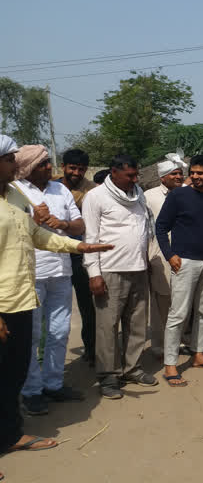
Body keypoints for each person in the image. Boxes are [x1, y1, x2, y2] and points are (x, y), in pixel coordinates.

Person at [1, 135, 112, 456]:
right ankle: (33, 393)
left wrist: (80, 245)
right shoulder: (22, 191)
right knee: (19, 353)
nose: (50, 167)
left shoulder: (17, 195)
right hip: (11, 293)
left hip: (42, 281)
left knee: (53, 336)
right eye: (11, 159)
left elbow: (43, 234)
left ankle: (46, 390)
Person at [14, 145, 88, 414]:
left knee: (59, 331)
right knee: (32, 335)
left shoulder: (61, 190)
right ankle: (32, 390)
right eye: (43, 163)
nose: (49, 167)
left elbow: (80, 226)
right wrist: (33, 219)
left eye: (48, 162)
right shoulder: (15, 192)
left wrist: (63, 224)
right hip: (30, 272)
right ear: (28, 167)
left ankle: (54, 384)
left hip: (61, 269)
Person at [82, 155, 158, 399]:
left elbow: (144, 229)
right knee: (107, 326)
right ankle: (108, 376)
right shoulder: (95, 197)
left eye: (136, 176)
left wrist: (145, 260)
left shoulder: (138, 194)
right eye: (130, 176)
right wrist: (94, 273)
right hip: (110, 270)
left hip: (137, 268)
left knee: (136, 323)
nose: (135, 180)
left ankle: (132, 368)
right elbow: (90, 238)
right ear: (113, 173)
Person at [156, 155, 203, 387]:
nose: (194, 177)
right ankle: (170, 365)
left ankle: (198, 354)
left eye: (200, 173)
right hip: (184, 262)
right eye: (192, 173)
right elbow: (161, 227)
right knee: (178, 314)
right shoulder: (178, 196)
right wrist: (170, 255)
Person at [56, 148, 98, 365]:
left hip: (80, 255)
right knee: (54, 311)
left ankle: (92, 349)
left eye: (81, 169)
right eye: (73, 168)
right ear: (63, 167)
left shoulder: (92, 190)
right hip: (53, 254)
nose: (77, 173)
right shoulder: (52, 187)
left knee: (88, 305)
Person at [145, 152, 187, 357]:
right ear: (163, 177)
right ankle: (159, 345)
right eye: (174, 174)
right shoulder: (149, 196)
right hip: (159, 255)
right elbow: (144, 228)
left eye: (180, 173)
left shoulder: (188, 194)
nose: (178, 177)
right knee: (161, 301)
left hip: (185, 253)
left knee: (181, 300)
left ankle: (177, 342)